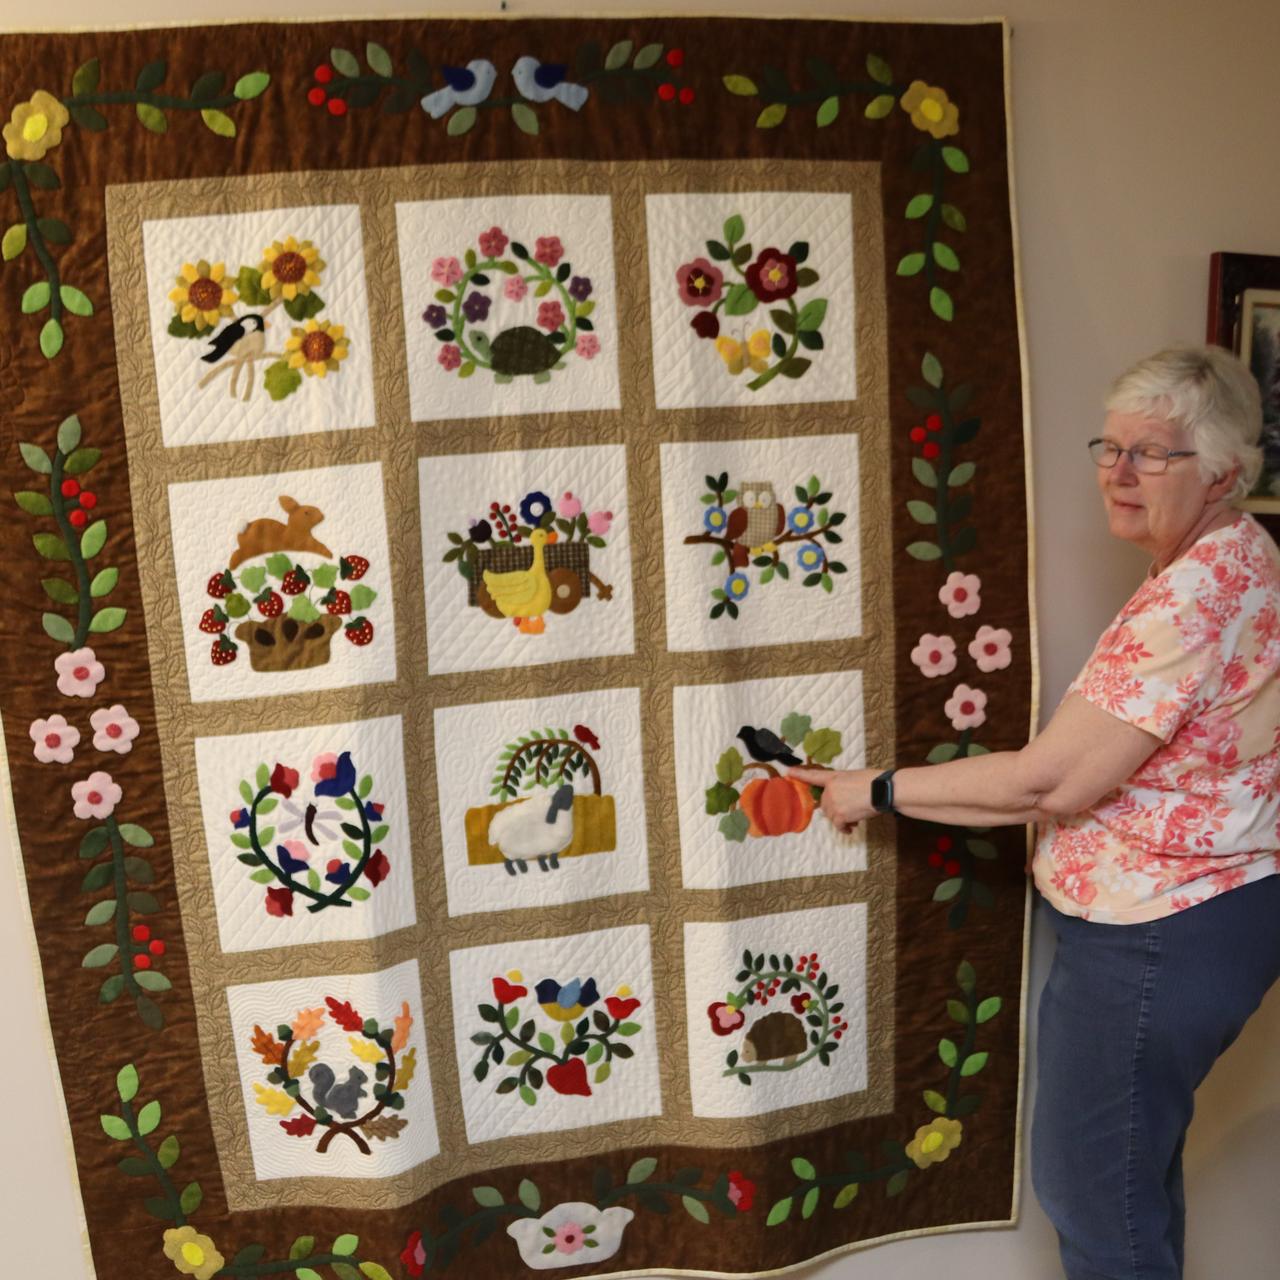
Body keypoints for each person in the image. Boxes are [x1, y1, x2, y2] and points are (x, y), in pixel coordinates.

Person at [787, 345, 1280, 1279]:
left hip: (1160, 933)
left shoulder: (1194, 594)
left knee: (1096, 1198)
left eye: (1153, 454)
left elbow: (1049, 783)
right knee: (1131, 1187)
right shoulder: (1244, 550)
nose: (1119, 472)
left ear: (1223, 471)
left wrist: (875, 788)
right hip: (1215, 911)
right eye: (1111, 446)